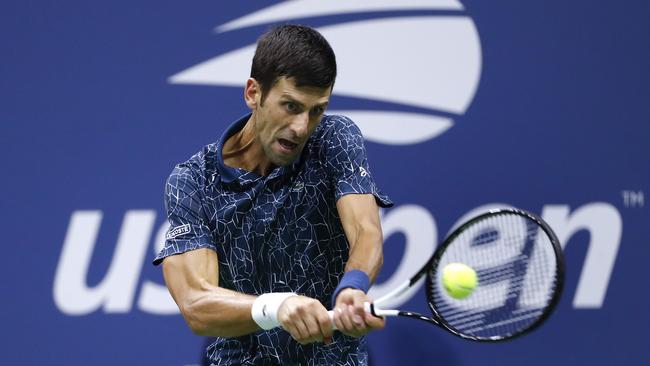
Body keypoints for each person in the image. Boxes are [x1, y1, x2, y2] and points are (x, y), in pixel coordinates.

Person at [154, 24, 392, 365]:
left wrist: (352, 287)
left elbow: (365, 233)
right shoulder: (194, 182)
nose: (301, 127)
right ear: (253, 93)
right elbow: (196, 304)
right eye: (291, 106)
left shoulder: (334, 139)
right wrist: (277, 307)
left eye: (316, 110)